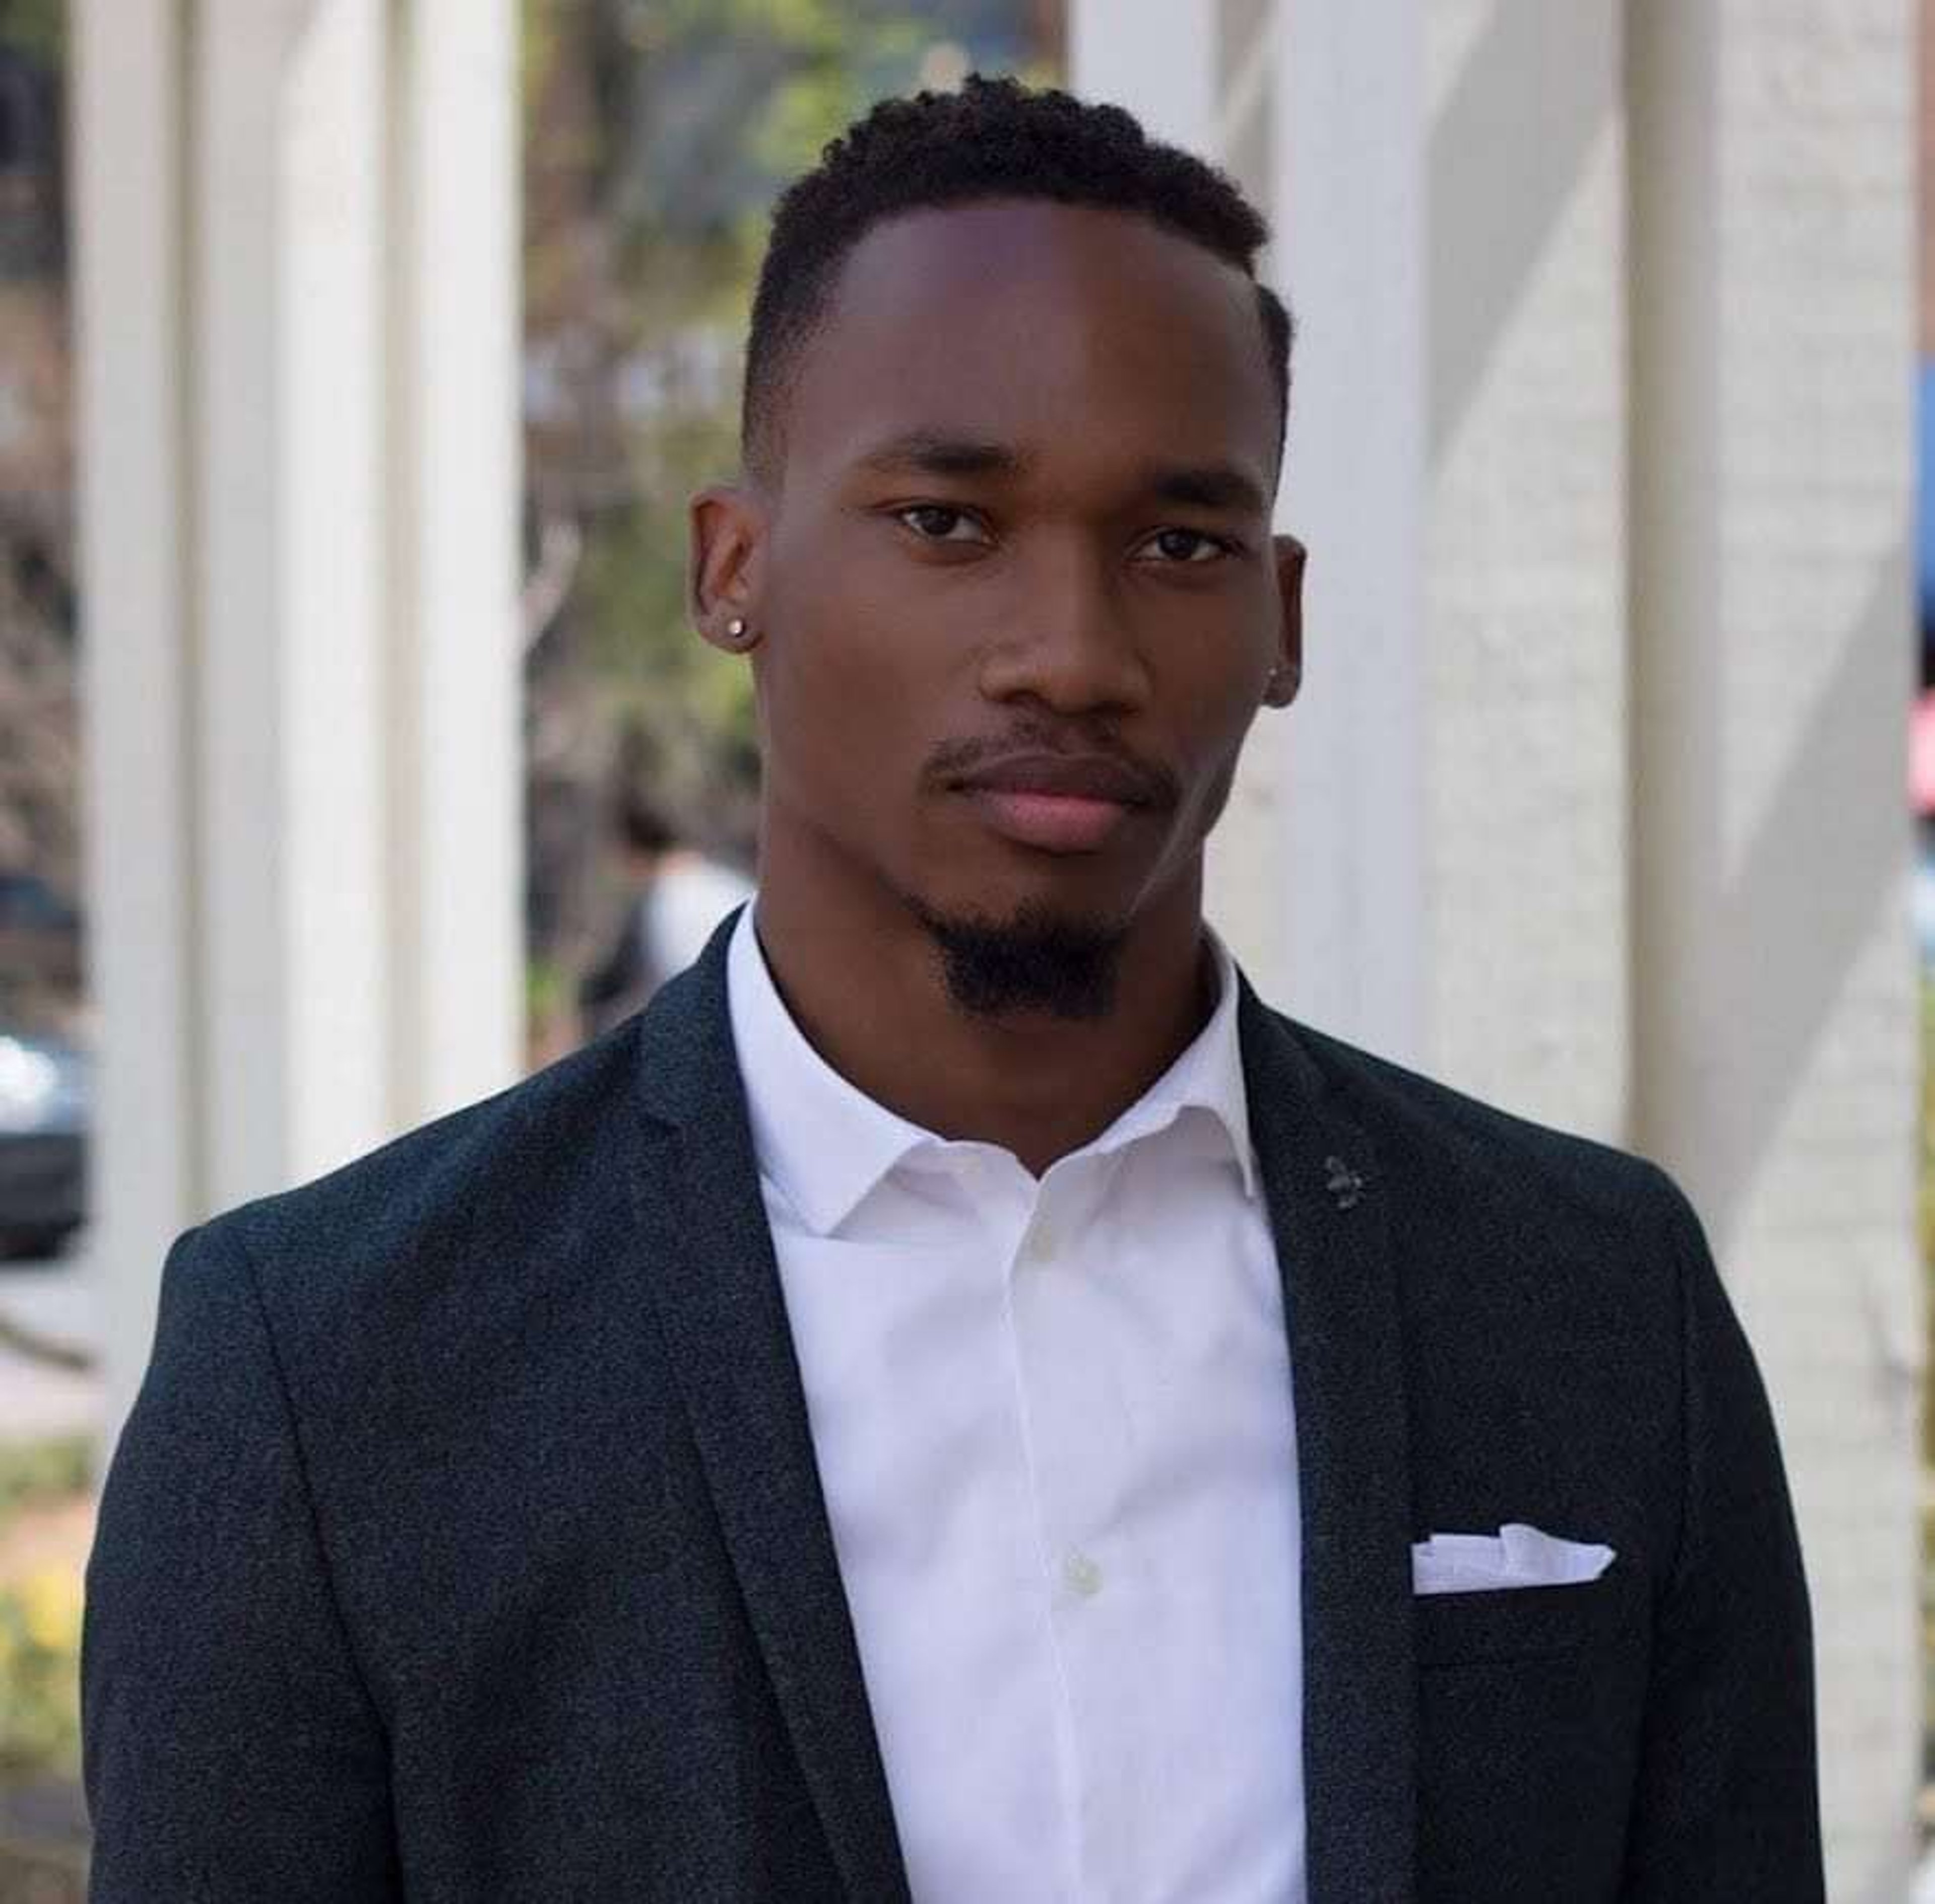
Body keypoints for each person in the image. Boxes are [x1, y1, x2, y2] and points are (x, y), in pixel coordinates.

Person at [81, 76, 1822, 1903]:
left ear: (1284, 616)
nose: (1071, 651)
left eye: (1178, 543)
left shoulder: (1596, 1302)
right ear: (734, 567)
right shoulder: (332, 1369)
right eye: (947, 521)